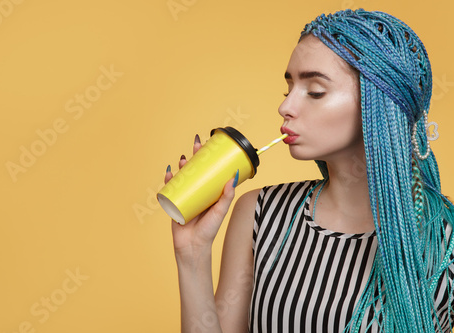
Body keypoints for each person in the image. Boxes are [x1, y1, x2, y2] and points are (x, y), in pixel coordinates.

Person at [164, 9, 454, 332]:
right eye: (288, 89)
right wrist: (192, 254)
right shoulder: (259, 214)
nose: (285, 106)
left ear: (379, 106)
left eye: (315, 91)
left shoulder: (445, 238)